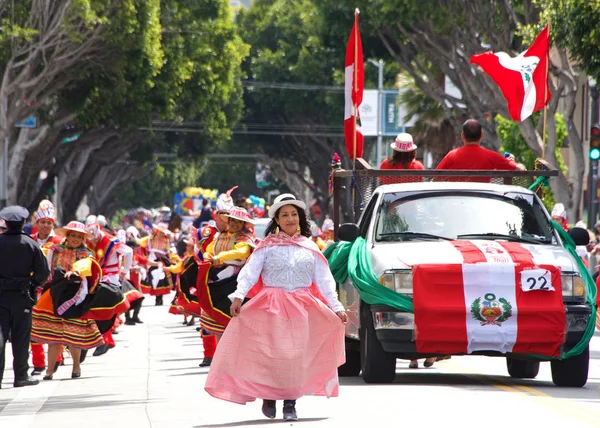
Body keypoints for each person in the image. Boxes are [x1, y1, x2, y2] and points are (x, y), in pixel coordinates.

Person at [204, 193, 347, 421]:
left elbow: (325, 281)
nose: (290, 219)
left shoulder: (310, 247)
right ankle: (269, 396)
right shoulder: (266, 247)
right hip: (270, 307)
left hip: (302, 308)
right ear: (277, 220)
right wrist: (239, 296)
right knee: (271, 355)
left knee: (294, 357)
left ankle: (290, 404)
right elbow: (249, 274)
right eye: (284, 215)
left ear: (299, 218)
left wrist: (336, 306)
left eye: (293, 214)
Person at [0, 206, 50, 388]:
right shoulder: (31, 244)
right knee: (21, 338)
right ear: (23, 223)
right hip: (22, 296)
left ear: (5, 223)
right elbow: (43, 273)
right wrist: (33, 284)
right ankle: (21, 376)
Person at [198, 207, 256, 340]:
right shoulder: (220, 236)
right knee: (217, 325)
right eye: (233, 220)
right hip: (216, 275)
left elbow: (240, 253)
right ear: (228, 221)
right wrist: (208, 257)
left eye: (239, 222)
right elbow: (209, 249)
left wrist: (218, 258)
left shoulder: (244, 238)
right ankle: (219, 357)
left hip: (235, 279)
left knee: (232, 320)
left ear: (243, 225)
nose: (236, 224)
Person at [85, 222, 133, 356]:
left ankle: (105, 339)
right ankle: (105, 340)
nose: (93, 241)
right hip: (94, 276)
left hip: (110, 277)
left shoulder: (112, 241)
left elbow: (129, 251)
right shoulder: (87, 241)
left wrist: (125, 270)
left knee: (104, 309)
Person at [29, 200, 66, 376]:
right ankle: (38, 362)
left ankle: (57, 358)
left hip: (52, 289)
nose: (45, 225)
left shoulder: (60, 242)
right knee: (32, 326)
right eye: (42, 222)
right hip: (32, 289)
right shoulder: (29, 241)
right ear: (37, 222)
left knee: (53, 325)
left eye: (49, 223)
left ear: (53, 224)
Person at [436, 119, 526, 182]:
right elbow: (519, 169)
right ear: (481, 135)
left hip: (455, 203)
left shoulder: (451, 155)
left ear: (463, 136)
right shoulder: (491, 156)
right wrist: (517, 163)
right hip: (481, 202)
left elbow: (436, 178)